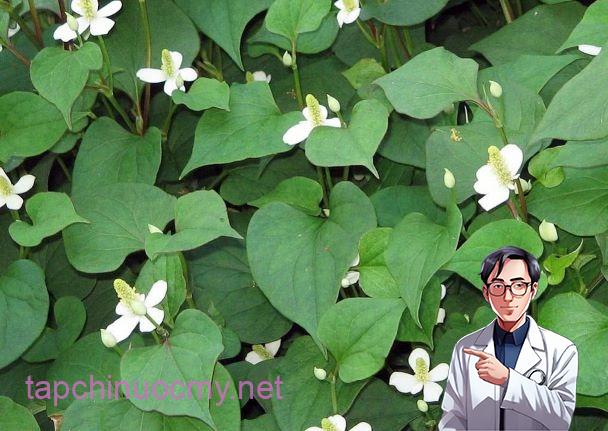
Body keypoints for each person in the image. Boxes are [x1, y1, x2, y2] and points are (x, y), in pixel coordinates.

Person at [438, 246, 578, 430]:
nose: (508, 297)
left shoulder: (561, 350)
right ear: (486, 293)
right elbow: (452, 417)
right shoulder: (466, 348)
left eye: (518, 285)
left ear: (533, 290)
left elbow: (561, 420)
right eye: (498, 286)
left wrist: (508, 379)